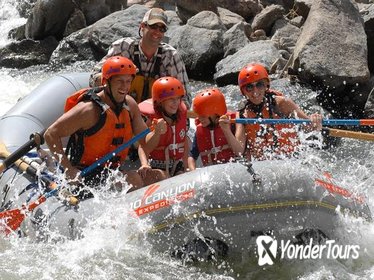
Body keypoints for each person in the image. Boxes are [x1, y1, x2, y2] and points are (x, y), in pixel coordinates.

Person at [44, 56, 160, 194]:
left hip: (113, 171)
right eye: (120, 81)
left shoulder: (130, 105)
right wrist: (69, 170)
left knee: (158, 176)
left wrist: (157, 132)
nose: (125, 87)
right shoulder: (88, 110)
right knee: (133, 179)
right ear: (106, 82)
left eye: (128, 81)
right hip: (84, 174)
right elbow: (50, 134)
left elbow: (146, 143)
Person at [89, 7, 191, 108]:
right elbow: (93, 78)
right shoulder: (122, 47)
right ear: (142, 26)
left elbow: (185, 99)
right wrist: (119, 73)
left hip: (156, 116)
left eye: (162, 29)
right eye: (153, 26)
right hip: (122, 110)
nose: (157, 32)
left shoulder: (171, 56)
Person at [235, 63, 322, 161]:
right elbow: (239, 151)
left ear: (266, 86)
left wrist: (315, 121)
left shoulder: (281, 103)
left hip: (291, 159)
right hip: (264, 164)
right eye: (249, 87)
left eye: (259, 85)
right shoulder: (242, 114)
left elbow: (309, 127)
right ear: (243, 91)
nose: (255, 91)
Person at [137, 76, 189, 185]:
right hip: (155, 165)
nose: (176, 103)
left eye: (178, 98)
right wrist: (144, 163)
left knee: (181, 177)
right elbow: (143, 145)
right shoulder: (150, 118)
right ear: (160, 102)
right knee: (162, 177)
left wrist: (187, 167)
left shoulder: (181, 113)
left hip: (176, 164)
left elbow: (184, 142)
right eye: (171, 99)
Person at [188, 88, 243, 170]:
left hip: (233, 169)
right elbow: (192, 156)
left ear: (216, 113)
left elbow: (239, 152)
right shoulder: (200, 131)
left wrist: (226, 130)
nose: (200, 119)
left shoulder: (231, 125)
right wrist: (193, 171)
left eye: (203, 116)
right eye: (199, 115)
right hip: (212, 172)